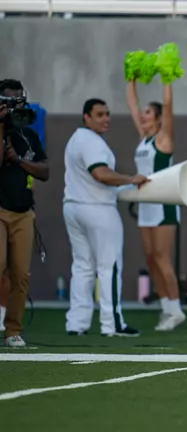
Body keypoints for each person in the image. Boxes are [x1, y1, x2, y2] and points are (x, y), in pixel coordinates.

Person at [63, 98, 146, 337]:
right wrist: (130, 179)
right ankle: (112, 324)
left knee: (82, 267)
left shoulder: (76, 139)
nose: (106, 118)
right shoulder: (91, 141)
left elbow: (95, 180)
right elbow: (100, 174)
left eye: (108, 114)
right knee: (109, 267)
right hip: (97, 210)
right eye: (99, 114)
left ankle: (76, 324)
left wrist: (123, 187)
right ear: (86, 117)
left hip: (74, 207)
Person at [126, 79, 185, 332]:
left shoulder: (163, 139)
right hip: (146, 207)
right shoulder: (143, 139)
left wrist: (167, 78)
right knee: (150, 260)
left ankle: (176, 309)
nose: (142, 115)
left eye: (148, 113)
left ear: (159, 119)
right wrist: (131, 80)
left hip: (164, 206)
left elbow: (169, 106)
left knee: (162, 259)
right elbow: (131, 104)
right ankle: (166, 309)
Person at [0, 79, 49, 347]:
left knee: (21, 273)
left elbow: (45, 171)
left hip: (23, 212)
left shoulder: (29, 134)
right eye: (9, 102)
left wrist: (19, 161)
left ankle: (12, 330)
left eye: (18, 101)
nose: (15, 107)